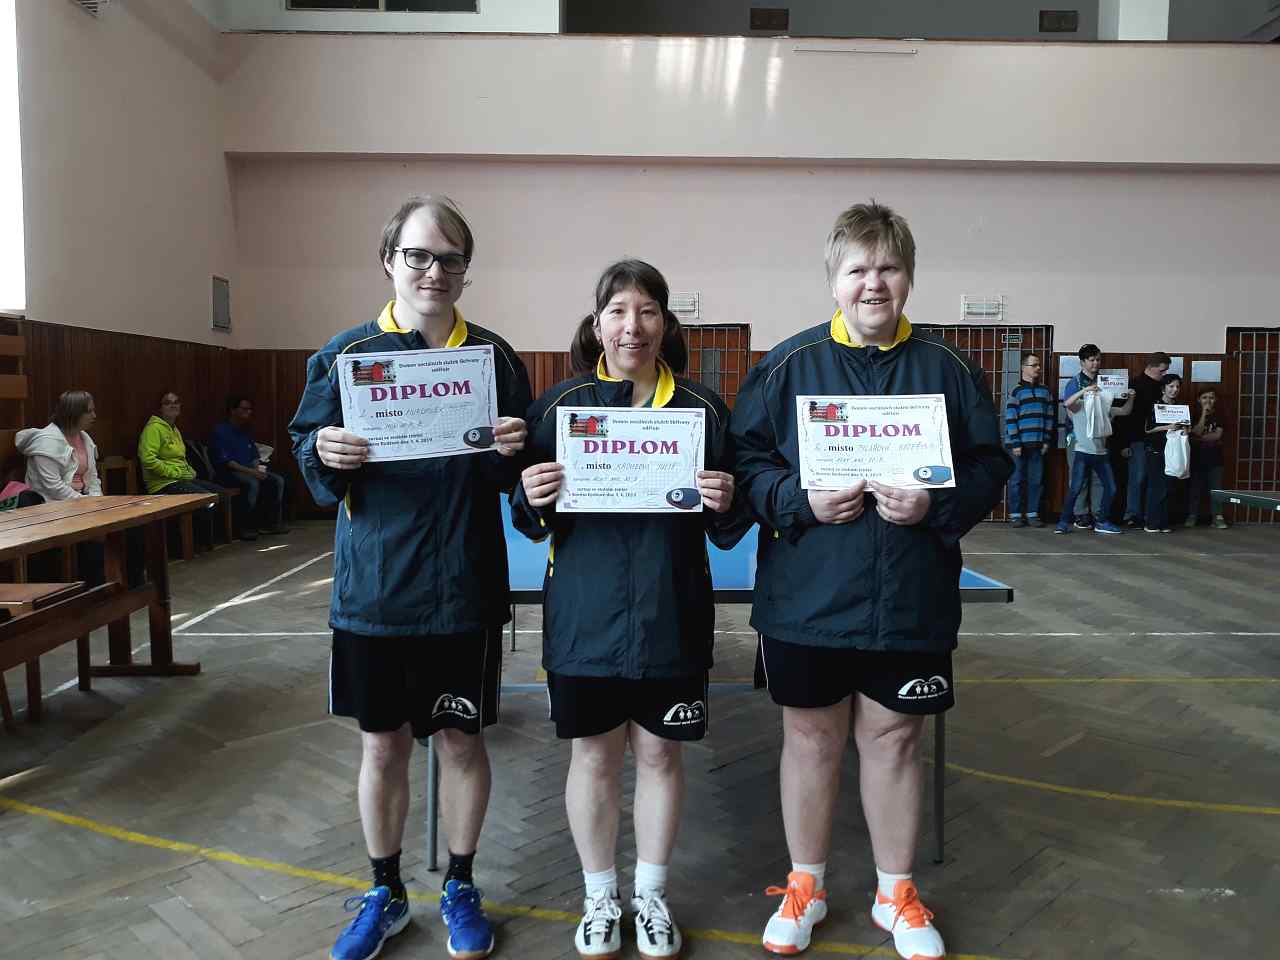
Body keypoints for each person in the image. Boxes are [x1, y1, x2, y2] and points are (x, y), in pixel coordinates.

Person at [729, 202, 1011, 960]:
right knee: (810, 740)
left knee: (895, 741)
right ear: (835, 279)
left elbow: (990, 464)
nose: (873, 283)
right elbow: (745, 464)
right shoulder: (786, 366)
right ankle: (806, 885)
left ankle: (896, 893)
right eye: (858, 269)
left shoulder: (950, 370)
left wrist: (935, 503)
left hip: (909, 597)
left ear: (909, 277)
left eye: (888, 267)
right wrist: (801, 499)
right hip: (807, 599)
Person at [288, 194, 531, 960]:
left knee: (460, 742)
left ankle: (459, 883)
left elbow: (517, 476)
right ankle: (385, 890)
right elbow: (306, 452)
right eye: (419, 255)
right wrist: (321, 450)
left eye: (450, 258)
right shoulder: (346, 355)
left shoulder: (494, 360)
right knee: (383, 747)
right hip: (375, 592)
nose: (434, 271)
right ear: (389, 261)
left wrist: (513, 449)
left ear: (466, 270)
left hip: (462, 589)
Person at [511, 260, 747, 960]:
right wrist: (532, 493)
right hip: (584, 617)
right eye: (617, 311)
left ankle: (650, 895)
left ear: (665, 324)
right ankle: (598, 897)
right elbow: (527, 518)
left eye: (647, 311)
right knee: (593, 756)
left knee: (660, 754)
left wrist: (725, 500)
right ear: (597, 324)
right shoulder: (559, 408)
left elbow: (728, 526)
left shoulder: (702, 410)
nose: (632, 326)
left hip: (671, 613)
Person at [16, 390, 107, 585]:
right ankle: (89, 588)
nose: (94, 415)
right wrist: (87, 504)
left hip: (80, 500)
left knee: (124, 528)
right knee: (92, 534)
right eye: (89, 411)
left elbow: (92, 478)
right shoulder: (46, 442)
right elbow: (53, 487)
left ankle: (102, 588)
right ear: (74, 413)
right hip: (50, 504)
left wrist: (97, 501)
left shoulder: (84, 438)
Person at [1054, 345, 1134, 535]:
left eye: (1098, 359)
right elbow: (1069, 408)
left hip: (1100, 438)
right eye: (1091, 360)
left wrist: (1129, 396)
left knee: (1100, 480)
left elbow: (1118, 409)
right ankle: (1080, 514)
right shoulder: (1075, 383)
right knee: (1079, 480)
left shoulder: (1104, 381)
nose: (1095, 363)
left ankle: (1099, 515)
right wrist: (1083, 422)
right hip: (1078, 437)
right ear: (1082, 362)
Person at [138, 392, 225, 543]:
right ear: (160, 408)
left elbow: (180, 458)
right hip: (163, 484)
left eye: (176, 402)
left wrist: (191, 471)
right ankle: (192, 544)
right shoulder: (153, 429)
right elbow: (148, 459)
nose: (173, 405)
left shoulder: (174, 429)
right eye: (168, 402)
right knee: (206, 499)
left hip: (180, 479)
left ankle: (208, 540)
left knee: (220, 493)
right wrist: (174, 473)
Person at [211, 396, 289, 540]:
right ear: (233, 410)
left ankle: (270, 523)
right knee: (251, 483)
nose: (248, 412)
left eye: (249, 409)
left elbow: (254, 455)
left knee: (277, 480)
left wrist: (258, 470)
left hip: (249, 470)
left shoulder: (244, 431)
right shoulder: (221, 431)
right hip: (230, 472)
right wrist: (252, 473)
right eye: (244, 409)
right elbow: (228, 462)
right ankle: (244, 526)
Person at [1118, 352, 1171, 527]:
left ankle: (1152, 515)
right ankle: (1132, 514)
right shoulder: (1133, 385)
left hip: (1160, 440)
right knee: (1137, 477)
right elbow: (1123, 418)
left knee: (1156, 479)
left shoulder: (1163, 387)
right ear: (1150, 367)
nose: (1164, 374)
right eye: (1162, 370)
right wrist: (1124, 444)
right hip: (1137, 439)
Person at [1003, 353, 1052, 527]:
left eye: (1038, 365)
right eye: (1034, 365)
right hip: (1017, 445)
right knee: (1016, 481)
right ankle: (1016, 515)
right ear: (1024, 368)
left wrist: (1046, 441)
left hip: (1038, 444)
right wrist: (1016, 443)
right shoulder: (1016, 391)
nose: (1038, 368)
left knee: (1036, 481)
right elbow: (1010, 418)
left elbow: (1049, 417)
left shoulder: (1045, 391)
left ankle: (1032, 514)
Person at [1142, 373, 1189, 534]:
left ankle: (1164, 521)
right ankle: (1151, 522)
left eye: (1177, 386)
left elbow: (1186, 428)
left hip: (1174, 451)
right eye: (1171, 386)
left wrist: (1185, 429)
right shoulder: (1155, 405)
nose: (1175, 389)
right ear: (1163, 388)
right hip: (1156, 450)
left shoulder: (1181, 407)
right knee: (1156, 487)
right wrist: (1168, 427)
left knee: (1169, 486)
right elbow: (1148, 429)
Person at [1185, 387, 1228, 529]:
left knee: (1216, 489)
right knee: (1195, 489)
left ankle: (1217, 517)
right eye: (1204, 397)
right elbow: (1196, 431)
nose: (1208, 400)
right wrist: (1204, 413)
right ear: (1199, 400)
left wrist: (1198, 438)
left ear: (1215, 400)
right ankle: (1192, 515)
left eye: (1211, 397)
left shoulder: (1220, 415)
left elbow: (1217, 435)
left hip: (1215, 458)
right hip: (1196, 458)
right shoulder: (1193, 415)